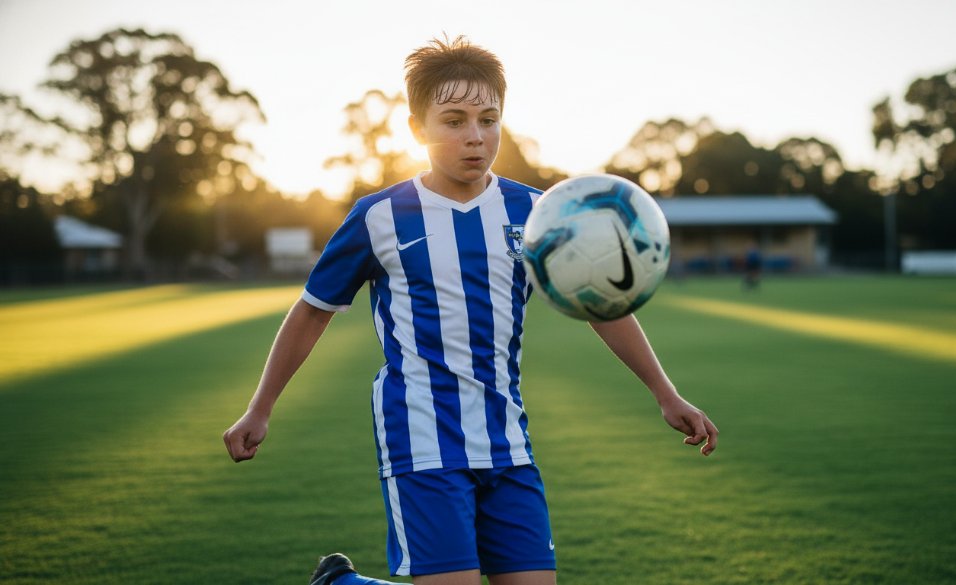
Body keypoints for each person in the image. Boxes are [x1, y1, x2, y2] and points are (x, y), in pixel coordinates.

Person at [223, 35, 718, 585]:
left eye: (489, 119)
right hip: (422, 440)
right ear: (418, 128)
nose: (475, 137)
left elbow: (602, 305)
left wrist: (664, 392)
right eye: (454, 120)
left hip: (509, 441)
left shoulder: (536, 214)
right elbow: (312, 312)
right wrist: (260, 408)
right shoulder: (378, 217)